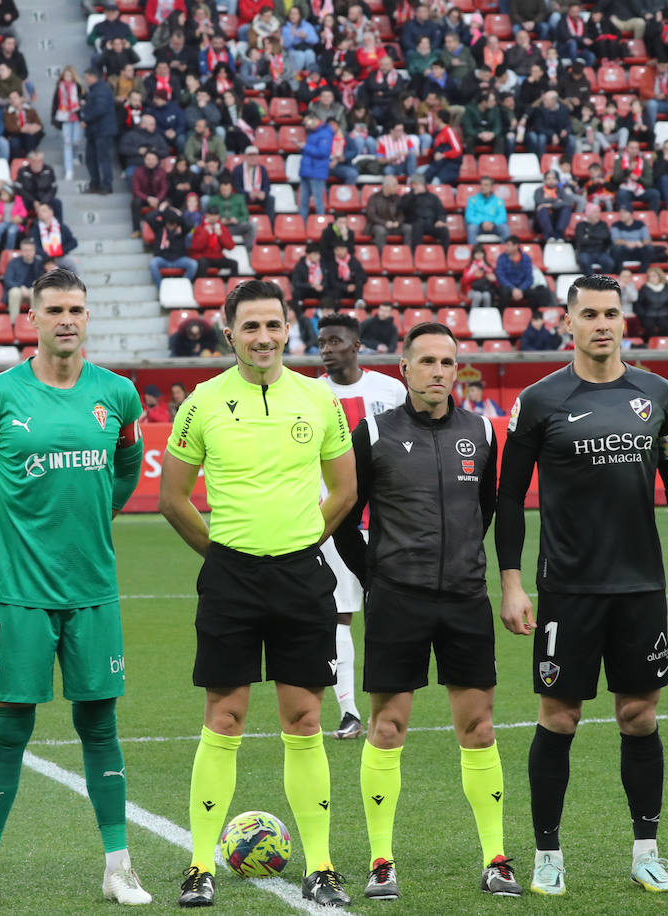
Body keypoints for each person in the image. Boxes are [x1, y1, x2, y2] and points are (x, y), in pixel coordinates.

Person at [495, 274, 668, 897]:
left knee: (638, 716)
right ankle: (547, 855)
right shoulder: (539, 401)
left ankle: (646, 851)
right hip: (567, 589)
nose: (602, 324)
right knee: (559, 718)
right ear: (567, 322)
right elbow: (510, 497)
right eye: (589, 314)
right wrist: (512, 583)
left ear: (625, 321)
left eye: (612, 314)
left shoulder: (658, 395)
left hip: (639, 588)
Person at [0, 269, 150, 908]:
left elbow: (124, 471)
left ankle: (118, 866)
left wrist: (91, 520)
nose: (68, 319)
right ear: (30, 319)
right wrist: (7, 527)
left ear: (88, 318)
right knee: (10, 727)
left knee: (100, 723)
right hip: (19, 590)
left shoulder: (118, 395)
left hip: (94, 587)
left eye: (77, 309)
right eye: (55, 309)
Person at [158, 280, 356, 909]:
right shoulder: (203, 402)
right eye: (250, 327)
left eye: (273, 325)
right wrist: (221, 556)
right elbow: (173, 498)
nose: (263, 338)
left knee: (305, 720)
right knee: (225, 719)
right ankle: (198, 866)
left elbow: (345, 490)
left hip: (302, 577)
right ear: (230, 333)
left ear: (287, 327)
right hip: (231, 581)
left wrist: (301, 541)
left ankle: (320, 865)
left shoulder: (318, 398)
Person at [330, 320, 520, 900]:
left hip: (465, 600)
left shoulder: (483, 433)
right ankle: (381, 860)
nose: (439, 371)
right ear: (405, 369)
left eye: (447, 361)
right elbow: (342, 522)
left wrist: (463, 561)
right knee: (387, 728)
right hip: (398, 603)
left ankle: (496, 857)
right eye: (427, 361)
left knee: (479, 728)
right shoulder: (374, 434)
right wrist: (378, 581)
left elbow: (487, 510)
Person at [315, 313, 407, 740]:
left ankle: (387, 705)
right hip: (334, 518)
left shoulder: (390, 391)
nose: (327, 349)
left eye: (335, 341)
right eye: (321, 343)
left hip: (388, 519)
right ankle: (349, 710)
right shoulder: (310, 394)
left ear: (357, 345)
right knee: (341, 613)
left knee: (390, 613)